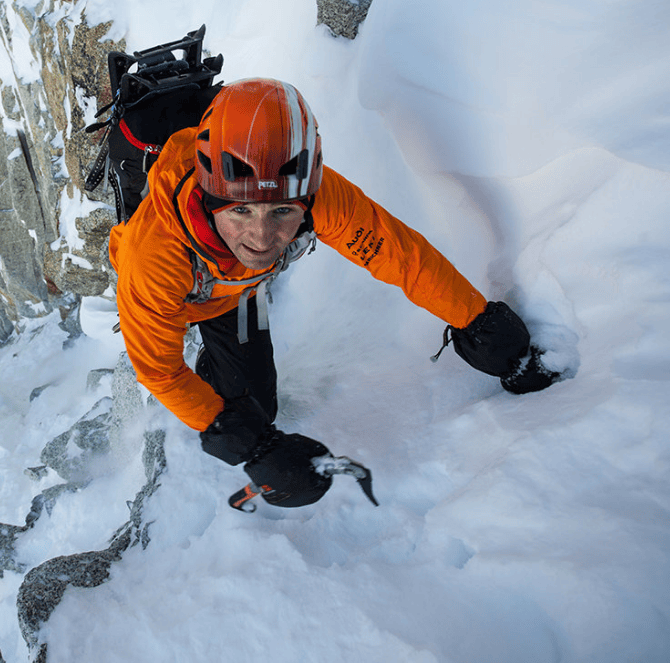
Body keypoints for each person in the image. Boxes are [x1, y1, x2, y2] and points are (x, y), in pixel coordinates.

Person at [109, 78, 557, 507]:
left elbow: (399, 256)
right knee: (248, 414)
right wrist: (254, 447)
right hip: (194, 294)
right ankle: (215, 364)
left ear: (304, 197)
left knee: (257, 403)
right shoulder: (153, 258)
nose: (262, 239)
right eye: (241, 211)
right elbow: (160, 371)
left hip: (238, 292)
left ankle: (222, 363)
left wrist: (478, 322)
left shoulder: (317, 195)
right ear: (209, 199)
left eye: (282, 212)